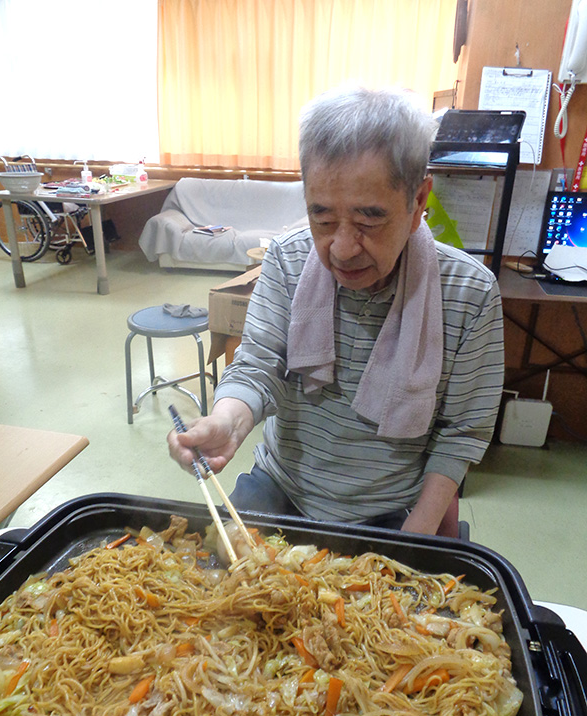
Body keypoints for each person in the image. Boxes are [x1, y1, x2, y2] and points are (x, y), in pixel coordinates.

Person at [167, 85, 504, 536]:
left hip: (390, 505)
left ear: (419, 200)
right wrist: (228, 422)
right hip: (282, 486)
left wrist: (416, 539)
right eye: (322, 220)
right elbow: (258, 365)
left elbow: (462, 432)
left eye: (369, 220)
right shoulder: (288, 258)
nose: (342, 249)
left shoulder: (469, 293)